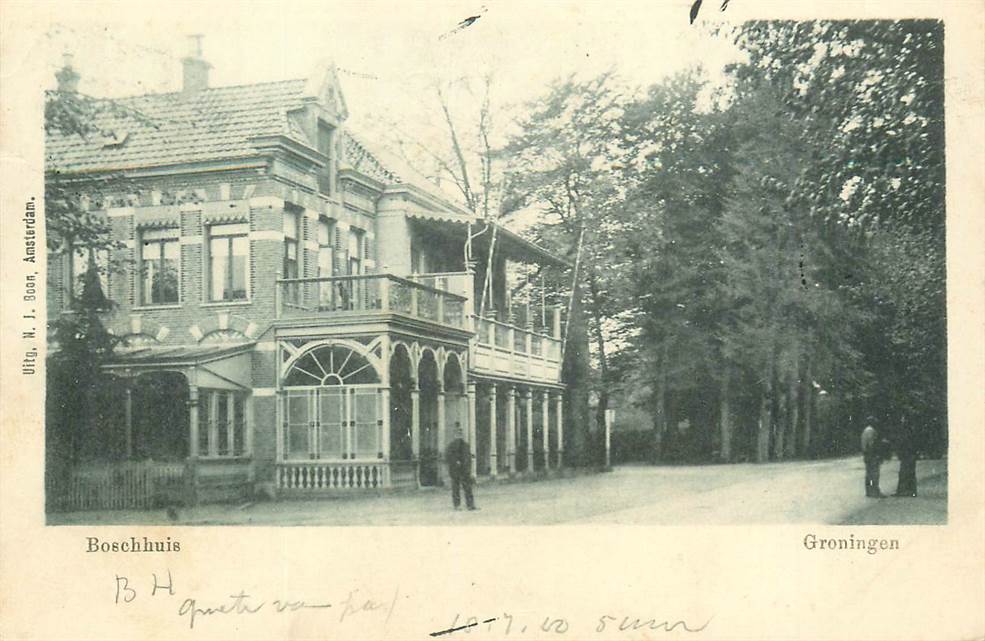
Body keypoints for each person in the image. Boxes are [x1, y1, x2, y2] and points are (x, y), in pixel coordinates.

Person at [445, 425, 478, 511]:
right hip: (455, 471)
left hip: (465, 470)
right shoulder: (451, 446)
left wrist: (470, 469)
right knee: (456, 488)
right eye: (457, 433)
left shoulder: (466, 445)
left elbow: (469, 457)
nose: (459, 435)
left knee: (468, 487)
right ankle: (457, 505)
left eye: (460, 433)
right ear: (454, 435)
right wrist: (455, 462)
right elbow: (448, 458)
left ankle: (470, 505)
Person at [894, 415, 919, 497]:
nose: (902, 420)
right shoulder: (911, 430)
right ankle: (911, 491)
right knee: (910, 472)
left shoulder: (906, 431)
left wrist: (900, 451)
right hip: (910, 454)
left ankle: (903, 491)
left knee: (905, 472)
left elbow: (903, 443)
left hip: (907, 454)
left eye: (903, 419)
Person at [861, 418, 885, 498]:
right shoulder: (871, 431)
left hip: (866, 454)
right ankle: (875, 491)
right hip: (871, 455)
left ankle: (869, 491)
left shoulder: (865, 430)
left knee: (869, 474)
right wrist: (877, 454)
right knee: (874, 474)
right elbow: (871, 444)